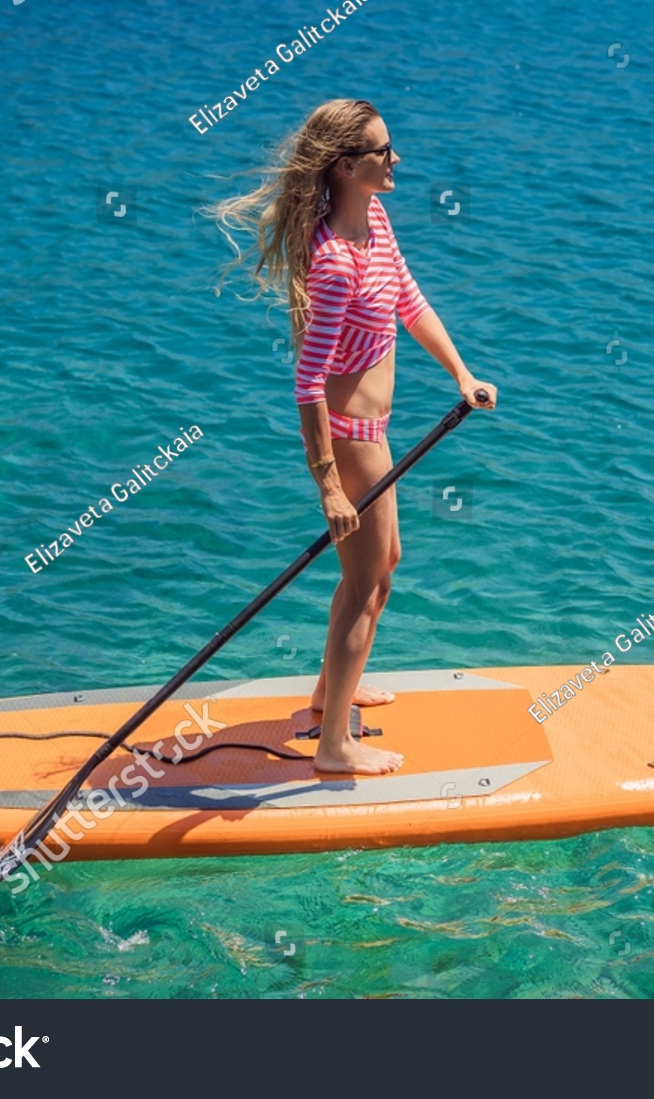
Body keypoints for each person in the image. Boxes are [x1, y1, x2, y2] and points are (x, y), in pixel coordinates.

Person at [209, 99, 496, 774]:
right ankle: (334, 745)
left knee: (383, 564)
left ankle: (327, 691)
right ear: (345, 165)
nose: (396, 159)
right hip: (348, 438)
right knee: (366, 582)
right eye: (382, 151)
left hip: (374, 431)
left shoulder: (375, 220)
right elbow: (307, 383)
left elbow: (409, 300)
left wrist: (461, 372)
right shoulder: (335, 261)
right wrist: (329, 486)